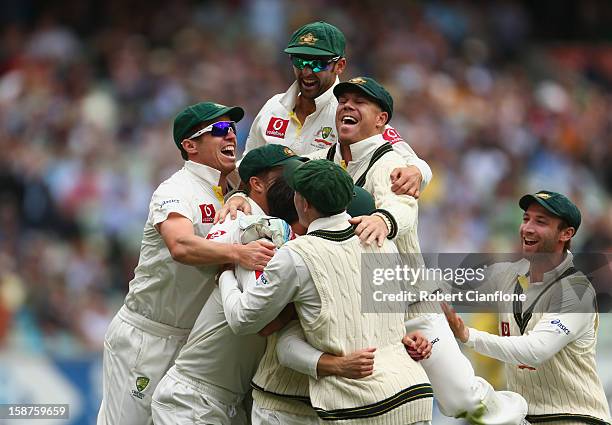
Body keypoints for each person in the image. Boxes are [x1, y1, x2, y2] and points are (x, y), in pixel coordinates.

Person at [304, 76, 527, 423]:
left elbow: (403, 208)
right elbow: (274, 178)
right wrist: (241, 196)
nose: (347, 106)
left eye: (359, 102)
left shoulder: (390, 161)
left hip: (410, 304)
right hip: (353, 307)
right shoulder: (320, 161)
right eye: (343, 100)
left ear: (381, 121)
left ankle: (518, 417)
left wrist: (384, 219)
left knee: (460, 400)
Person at [151, 144, 397, 425]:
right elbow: (257, 322)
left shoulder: (290, 240)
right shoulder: (254, 231)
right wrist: (230, 263)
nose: (297, 188)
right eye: (290, 179)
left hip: (232, 398)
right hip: (194, 398)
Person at [96, 102, 275, 425]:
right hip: (148, 336)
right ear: (189, 145)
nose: (230, 135)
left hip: (193, 340)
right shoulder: (175, 189)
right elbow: (180, 246)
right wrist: (239, 254)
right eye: (219, 130)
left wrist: (239, 195)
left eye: (233, 129)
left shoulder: (234, 190)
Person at [220, 160, 434, 425]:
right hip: (413, 395)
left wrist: (226, 272)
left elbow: (243, 320)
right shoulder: (382, 241)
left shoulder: (297, 255)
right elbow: (386, 324)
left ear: (304, 203)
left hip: (360, 408)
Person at [444, 191, 611, 425]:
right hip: (525, 418)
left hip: (577, 418)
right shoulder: (505, 275)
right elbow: (441, 287)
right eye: (526, 219)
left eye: (540, 221)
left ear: (566, 233)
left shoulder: (576, 290)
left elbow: (536, 350)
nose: (527, 228)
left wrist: (468, 335)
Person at [243, 20, 431, 199]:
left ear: (340, 65)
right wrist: (239, 195)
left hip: (325, 223)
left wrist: (417, 171)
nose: (307, 71)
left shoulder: (348, 113)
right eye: (300, 61)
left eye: (318, 63)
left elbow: (409, 161)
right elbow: (247, 165)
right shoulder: (273, 107)